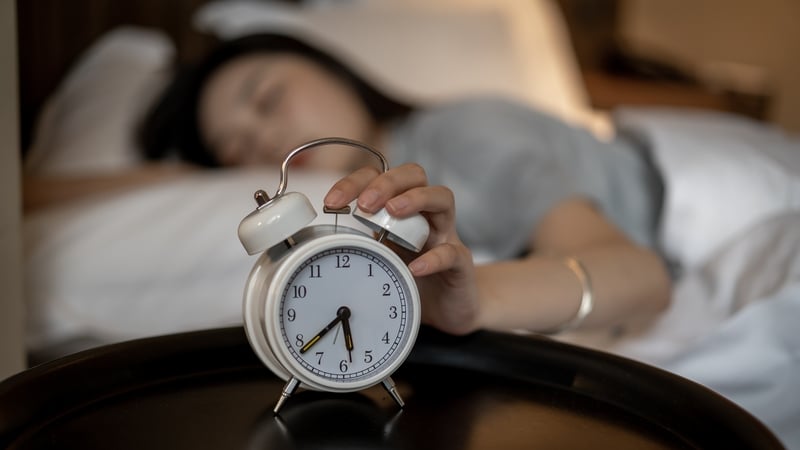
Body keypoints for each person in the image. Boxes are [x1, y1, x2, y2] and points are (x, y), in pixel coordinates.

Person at [138, 33, 672, 337]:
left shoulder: (465, 131)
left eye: (267, 100)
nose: (266, 140)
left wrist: (479, 298)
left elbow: (644, 278)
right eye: (238, 151)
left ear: (330, 67)